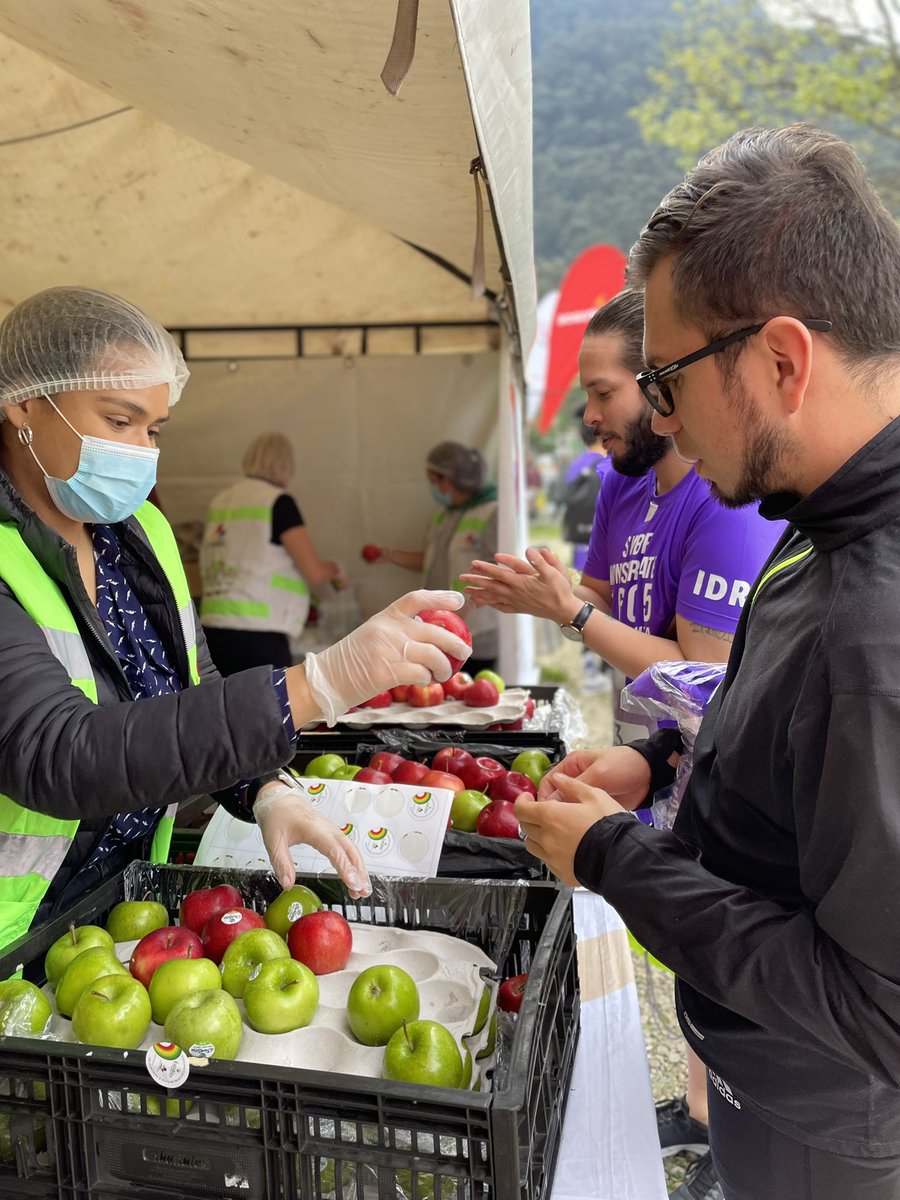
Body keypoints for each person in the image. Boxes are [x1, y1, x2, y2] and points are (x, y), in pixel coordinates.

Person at [516, 125, 900, 1200]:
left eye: (669, 380)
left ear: (782, 360)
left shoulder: (876, 618)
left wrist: (614, 859)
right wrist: (677, 761)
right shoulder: (821, 520)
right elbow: (794, 741)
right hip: (768, 1080)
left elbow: (877, 1006)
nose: (663, 418)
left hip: (828, 1129)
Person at [0, 286, 472, 954]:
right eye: (117, 421)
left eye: (154, 429)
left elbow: (185, 685)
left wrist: (262, 787)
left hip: (117, 906)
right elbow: (56, 753)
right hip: (15, 927)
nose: (140, 451)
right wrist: (315, 685)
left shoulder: (137, 533)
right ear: (23, 398)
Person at [461, 289, 782, 746]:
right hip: (634, 750)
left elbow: (703, 676)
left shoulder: (724, 499)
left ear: (660, 384)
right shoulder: (622, 480)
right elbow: (603, 597)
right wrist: (546, 594)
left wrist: (570, 611)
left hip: (699, 768)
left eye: (604, 393)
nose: (590, 415)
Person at [199, 432, 340, 675]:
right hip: (259, 634)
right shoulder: (278, 502)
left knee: (223, 709)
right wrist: (335, 569)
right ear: (285, 465)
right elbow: (314, 573)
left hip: (212, 629)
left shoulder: (220, 501)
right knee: (267, 709)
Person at [363, 440, 499, 674]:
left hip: (476, 630)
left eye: (433, 481)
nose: (432, 488)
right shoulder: (442, 516)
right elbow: (430, 561)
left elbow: (499, 570)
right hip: (438, 627)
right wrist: (391, 556)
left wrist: (469, 605)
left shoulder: (492, 512)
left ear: (449, 479)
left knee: (470, 693)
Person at [559, 404, 613, 693]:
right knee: (602, 609)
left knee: (582, 607)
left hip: (580, 548)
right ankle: (602, 667)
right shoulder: (608, 465)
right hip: (602, 551)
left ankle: (589, 670)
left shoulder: (576, 465)